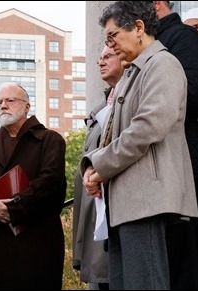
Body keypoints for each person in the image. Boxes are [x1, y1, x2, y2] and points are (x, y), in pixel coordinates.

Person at [82, 1, 198, 289]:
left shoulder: (163, 64)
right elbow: (112, 133)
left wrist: (100, 166)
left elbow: (147, 127)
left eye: (112, 36)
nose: (110, 45)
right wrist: (93, 168)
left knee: (144, 282)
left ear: (138, 27)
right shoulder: (131, 74)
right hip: (125, 200)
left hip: (147, 198)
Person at [0, 82, 66, 290]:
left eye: (10, 100)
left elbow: (51, 183)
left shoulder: (49, 140)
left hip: (35, 244)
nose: (3, 105)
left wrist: (12, 208)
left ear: (27, 107)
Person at [154, 1, 198, 289]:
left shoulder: (182, 37)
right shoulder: (164, 40)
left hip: (190, 168)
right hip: (171, 169)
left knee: (188, 261)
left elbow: (195, 93)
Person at [72, 45, 125, 290]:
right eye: (99, 59)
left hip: (118, 203)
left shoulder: (130, 95)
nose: (101, 63)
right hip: (95, 204)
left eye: (108, 56)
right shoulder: (99, 106)